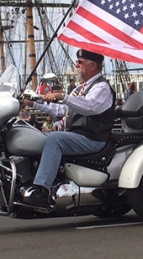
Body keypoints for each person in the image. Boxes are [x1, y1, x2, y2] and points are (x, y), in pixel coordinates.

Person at [19, 49, 115, 208]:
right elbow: (62, 110)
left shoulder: (101, 88)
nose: (76, 65)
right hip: (78, 136)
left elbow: (90, 107)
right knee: (38, 136)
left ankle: (41, 190)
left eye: (80, 62)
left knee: (55, 139)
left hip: (92, 138)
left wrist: (63, 96)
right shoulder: (80, 89)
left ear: (92, 66)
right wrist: (32, 104)